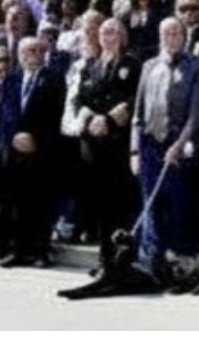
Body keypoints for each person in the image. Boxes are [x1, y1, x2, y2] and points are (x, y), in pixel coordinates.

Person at [134, 17, 199, 283]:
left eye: (176, 32)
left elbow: (196, 114)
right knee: (151, 204)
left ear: (184, 36)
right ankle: (150, 261)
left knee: (179, 205)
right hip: (150, 146)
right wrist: (135, 151)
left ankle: (182, 262)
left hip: (180, 146)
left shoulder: (196, 68)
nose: (172, 37)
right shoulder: (149, 66)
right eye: (166, 33)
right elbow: (138, 114)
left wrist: (178, 145)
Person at [66, 17, 141, 281]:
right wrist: (90, 120)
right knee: (100, 205)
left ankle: (122, 261)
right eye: (103, 32)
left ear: (122, 37)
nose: (108, 37)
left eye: (113, 32)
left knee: (119, 205)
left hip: (118, 145)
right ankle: (105, 258)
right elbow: (80, 102)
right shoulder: (91, 66)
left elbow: (134, 99)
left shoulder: (131, 65)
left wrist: (108, 119)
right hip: (94, 146)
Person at [0, 36, 66, 268]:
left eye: (39, 50)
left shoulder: (55, 80)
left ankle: (41, 251)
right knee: (17, 204)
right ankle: (18, 251)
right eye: (29, 50)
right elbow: (2, 115)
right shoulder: (10, 80)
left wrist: (36, 139)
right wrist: (13, 137)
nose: (34, 54)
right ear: (19, 54)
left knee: (41, 204)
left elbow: (57, 116)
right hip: (15, 153)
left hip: (42, 152)